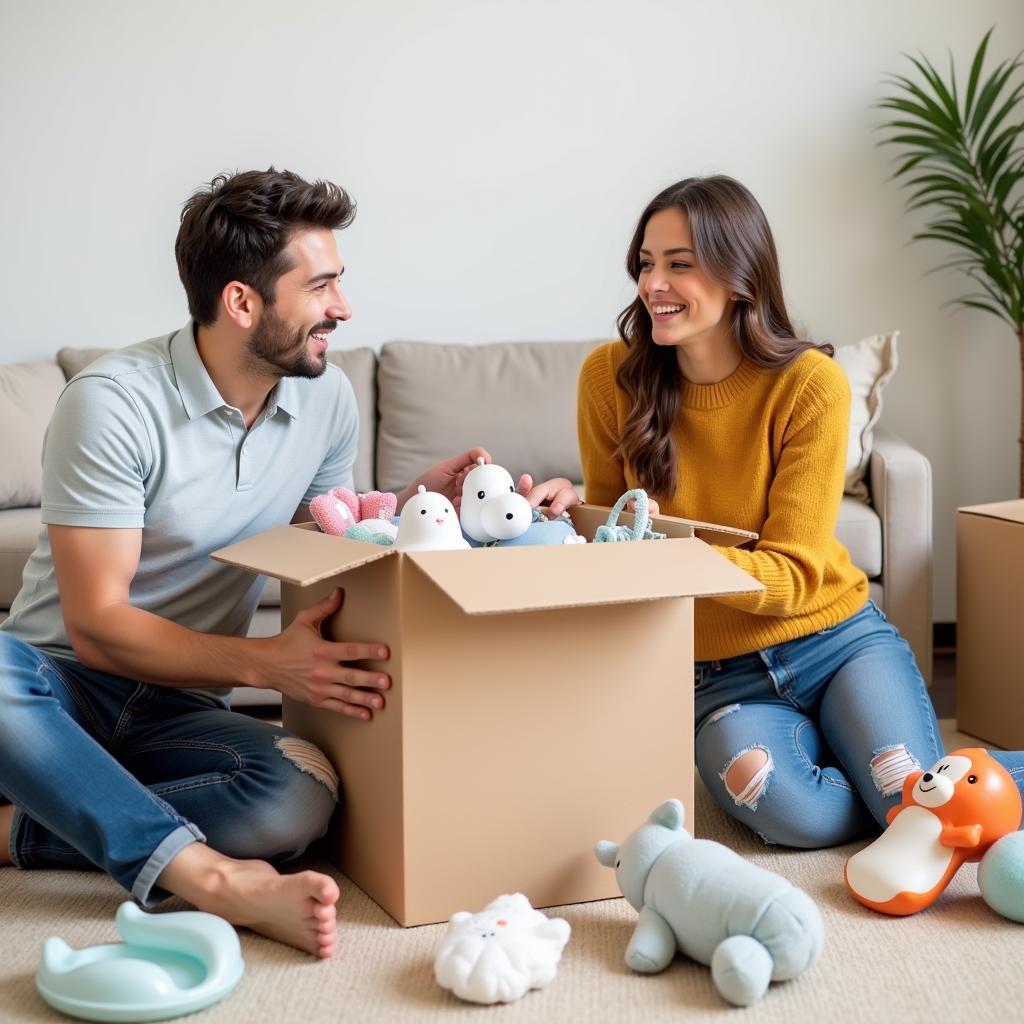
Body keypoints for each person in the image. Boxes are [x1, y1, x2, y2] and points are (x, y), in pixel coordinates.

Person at [0, 168, 489, 957]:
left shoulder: (323, 398)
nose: (344, 307)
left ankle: (32, 824)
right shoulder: (113, 402)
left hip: (176, 707)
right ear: (242, 303)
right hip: (55, 691)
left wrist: (411, 511)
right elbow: (96, 628)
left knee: (293, 804)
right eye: (322, 285)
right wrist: (268, 666)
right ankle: (212, 880)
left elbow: (322, 542)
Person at [539, 175, 1024, 847]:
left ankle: (914, 776)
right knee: (803, 817)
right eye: (647, 264)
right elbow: (613, 533)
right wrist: (570, 516)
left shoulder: (809, 386)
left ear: (740, 274)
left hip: (835, 640)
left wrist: (666, 552)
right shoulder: (608, 379)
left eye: (680, 264)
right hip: (719, 678)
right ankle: (889, 770)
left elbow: (792, 574)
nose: (653, 284)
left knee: (914, 811)